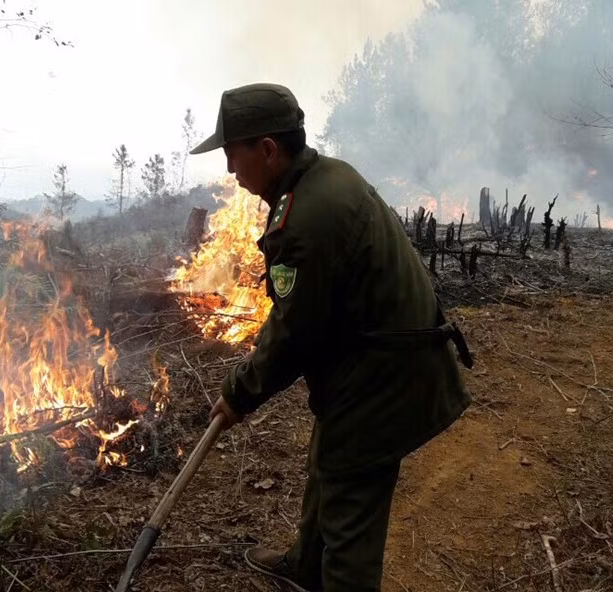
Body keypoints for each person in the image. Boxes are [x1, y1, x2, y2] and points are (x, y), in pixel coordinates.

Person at [190, 82, 471, 592]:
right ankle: (305, 567)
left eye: (233, 155)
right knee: (330, 458)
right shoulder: (325, 178)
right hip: (372, 361)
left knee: (350, 511)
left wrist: (237, 394)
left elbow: (295, 331)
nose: (230, 169)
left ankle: (335, 577)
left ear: (269, 150)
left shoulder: (307, 218)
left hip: (385, 378)